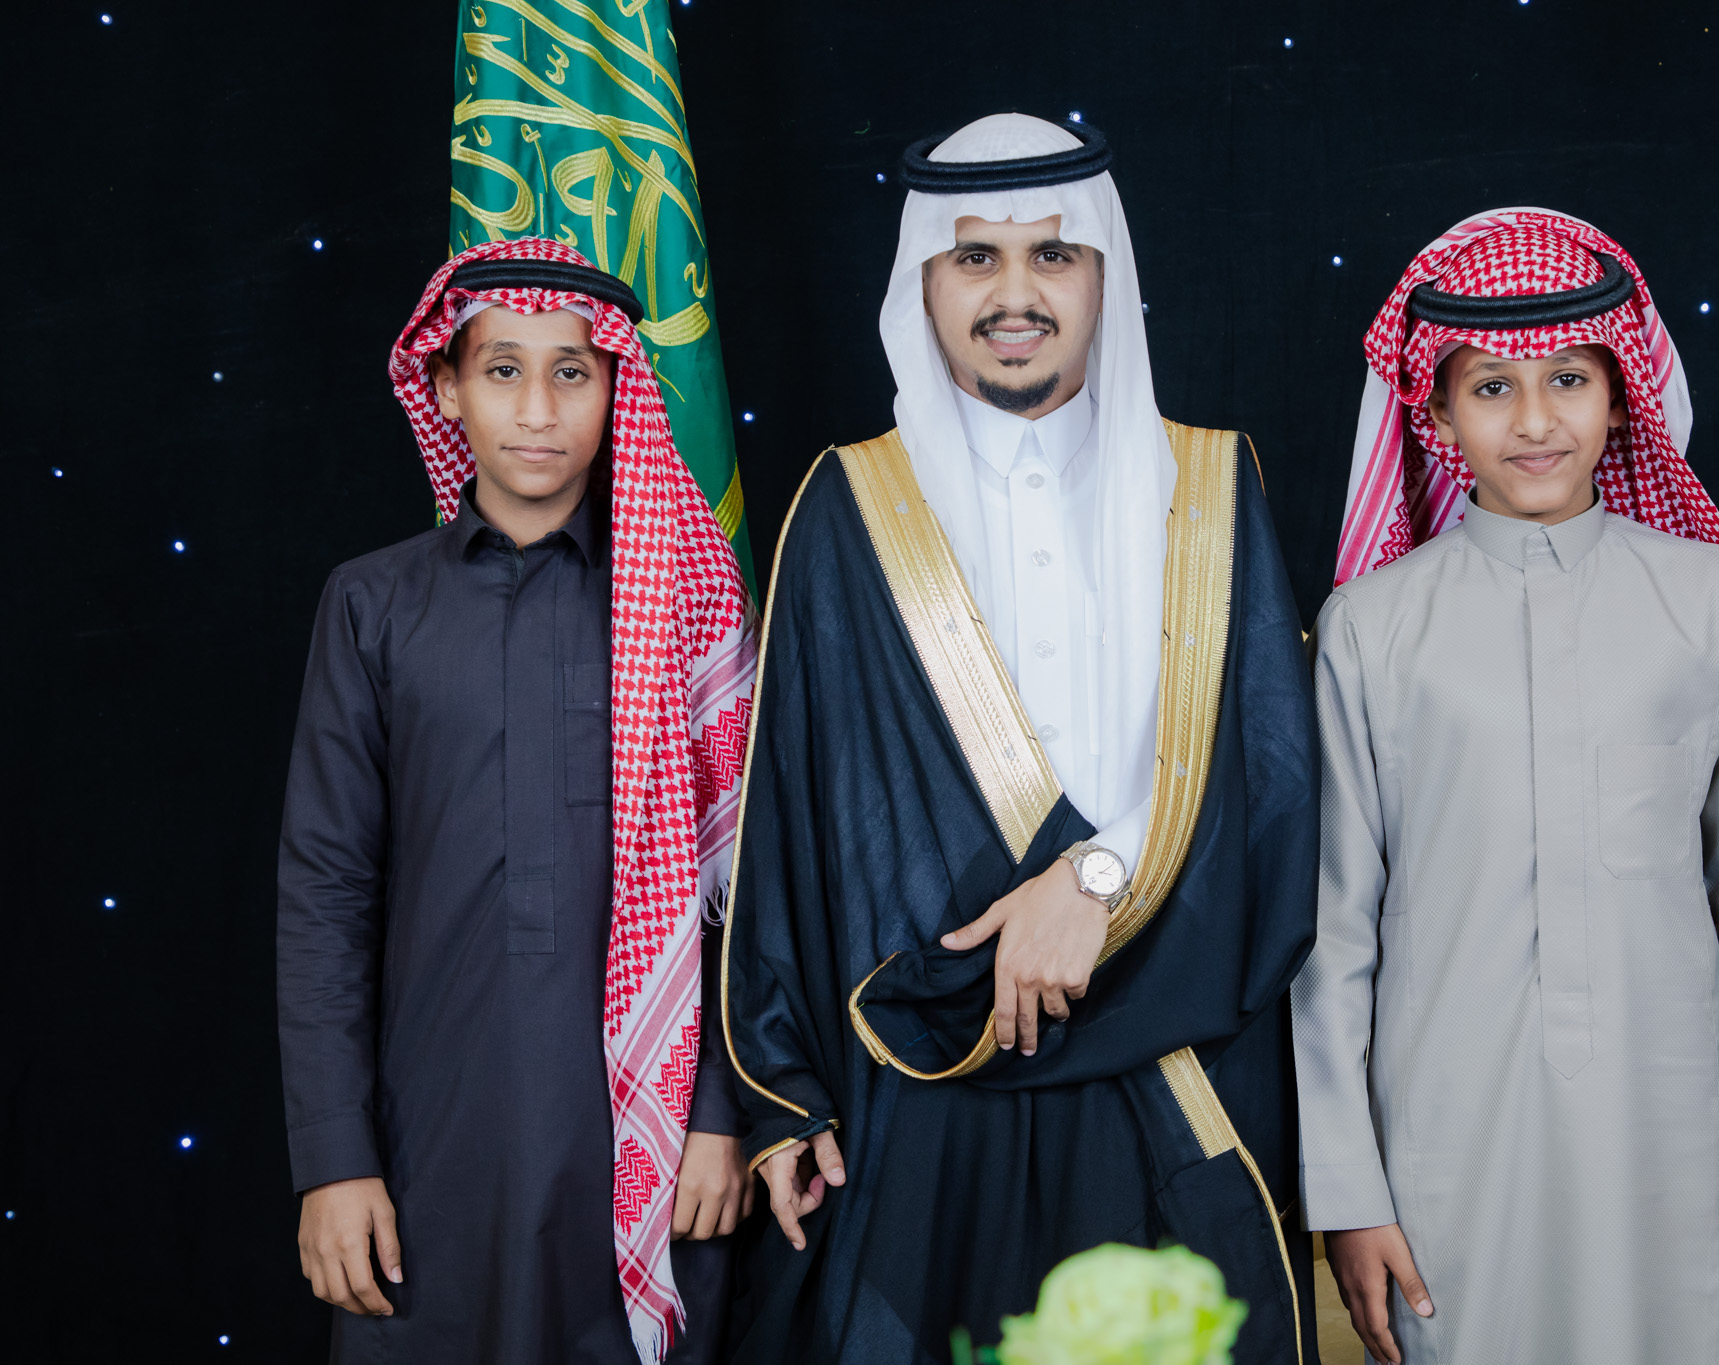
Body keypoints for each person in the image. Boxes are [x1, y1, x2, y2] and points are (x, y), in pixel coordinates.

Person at [718, 114, 1319, 1363]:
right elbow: (791, 821)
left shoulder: (1209, 489)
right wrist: (782, 1094)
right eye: (974, 258)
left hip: (1174, 1060)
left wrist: (1092, 881)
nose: (1013, 295)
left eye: (1052, 256)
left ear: (1104, 275)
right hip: (922, 1087)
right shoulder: (845, 507)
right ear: (922, 283)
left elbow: (1269, 783)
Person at [1295, 209, 1719, 1365]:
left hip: (1674, 1133)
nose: (1535, 421)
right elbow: (1331, 935)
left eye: (1567, 380)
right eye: (1491, 388)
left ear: (1619, 396)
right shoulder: (1369, 628)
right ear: (1435, 414)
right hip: (1441, 1141)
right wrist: (1344, 1190)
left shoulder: (1708, 599)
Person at [276, 238, 756, 1365]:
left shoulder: (686, 611)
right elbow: (325, 895)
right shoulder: (371, 605)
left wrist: (722, 1114)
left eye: (571, 372)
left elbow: (747, 887)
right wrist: (333, 1159)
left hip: (649, 1142)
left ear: (617, 389)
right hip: (429, 1137)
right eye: (502, 371)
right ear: (445, 386)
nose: (537, 409)